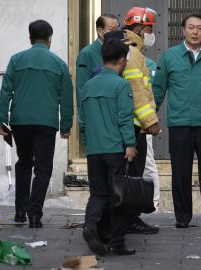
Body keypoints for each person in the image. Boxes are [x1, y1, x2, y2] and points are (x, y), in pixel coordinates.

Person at [153, 14, 201, 229]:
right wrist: (150, 118)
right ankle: (182, 217)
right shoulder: (170, 56)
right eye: (191, 27)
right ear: (183, 30)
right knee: (180, 172)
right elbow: (158, 89)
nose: (195, 32)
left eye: (199, 28)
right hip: (179, 123)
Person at [0, 20, 73, 228]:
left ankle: (20, 211)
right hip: (46, 123)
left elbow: (6, 92)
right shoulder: (59, 64)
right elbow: (66, 98)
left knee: (23, 162)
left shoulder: (16, 60)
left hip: (20, 121)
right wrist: (66, 126)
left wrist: (1, 120)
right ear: (50, 39)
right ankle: (35, 214)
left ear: (30, 38)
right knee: (43, 167)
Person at [79, 37, 137, 256]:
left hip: (94, 150)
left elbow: (83, 121)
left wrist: (88, 142)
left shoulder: (88, 85)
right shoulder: (121, 85)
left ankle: (90, 226)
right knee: (119, 197)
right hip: (115, 149)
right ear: (122, 61)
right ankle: (117, 242)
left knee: (98, 194)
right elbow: (125, 118)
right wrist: (130, 144)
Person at [118, 6, 161, 234]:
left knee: (129, 174)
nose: (151, 33)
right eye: (149, 28)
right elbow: (137, 93)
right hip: (134, 125)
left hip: (131, 123)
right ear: (139, 27)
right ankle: (129, 220)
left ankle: (127, 219)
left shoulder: (130, 49)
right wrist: (150, 121)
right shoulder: (133, 53)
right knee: (133, 176)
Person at [76, 14, 120, 112]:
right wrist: (84, 118)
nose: (116, 34)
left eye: (117, 30)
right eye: (111, 30)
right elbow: (81, 88)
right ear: (100, 32)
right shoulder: (87, 54)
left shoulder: (120, 52)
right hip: (96, 110)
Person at [144, 56, 161, 210]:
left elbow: (152, 95)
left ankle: (154, 203)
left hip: (143, 121)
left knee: (148, 162)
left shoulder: (150, 64)